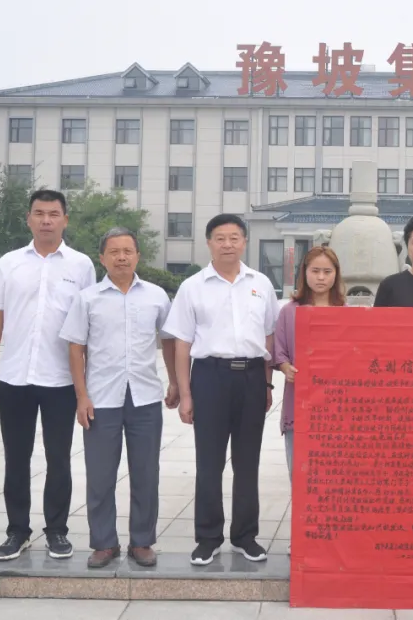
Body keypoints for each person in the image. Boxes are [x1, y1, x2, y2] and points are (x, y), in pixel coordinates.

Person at [0, 189, 96, 561]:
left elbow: (89, 326)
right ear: (29, 218)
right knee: (16, 459)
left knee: (59, 459)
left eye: (54, 214)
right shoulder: (10, 263)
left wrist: (85, 387)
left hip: (61, 380)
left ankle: (57, 531)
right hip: (15, 378)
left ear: (65, 220)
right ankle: (17, 531)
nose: (46, 220)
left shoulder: (81, 266)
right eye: (40, 213)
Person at [162, 213, 280, 566]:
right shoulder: (193, 287)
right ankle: (208, 537)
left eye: (234, 237)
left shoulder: (261, 284)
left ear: (244, 241)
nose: (227, 244)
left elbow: (269, 336)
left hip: (252, 378)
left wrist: (267, 383)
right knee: (209, 462)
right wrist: (186, 394)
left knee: (248, 462)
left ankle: (245, 536)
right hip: (210, 377)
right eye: (220, 238)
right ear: (209, 242)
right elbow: (182, 343)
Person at [58, 228, 176, 569]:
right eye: (114, 252)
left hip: (145, 397)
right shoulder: (88, 298)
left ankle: (142, 541)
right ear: (102, 258)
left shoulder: (156, 296)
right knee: (100, 475)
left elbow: (170, 340)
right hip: (101, 398)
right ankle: (104, 543)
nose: (121, 257)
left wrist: (175, 382)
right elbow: (75, 348)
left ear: (138, 256)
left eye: (127, 251)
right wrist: (81, 396)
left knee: (146, 473)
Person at [272, 246, 346, 554]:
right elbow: (279, 352)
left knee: (335, 478)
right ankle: (303, 537)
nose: (321, 277)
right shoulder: (289, 311)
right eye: (315, 271)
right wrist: (285, 367)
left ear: (336, 275)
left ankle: (333, 537)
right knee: (301, 475)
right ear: (304, 273)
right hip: (300, 405)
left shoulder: (345, 313)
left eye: (327, 271)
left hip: (338, 409)